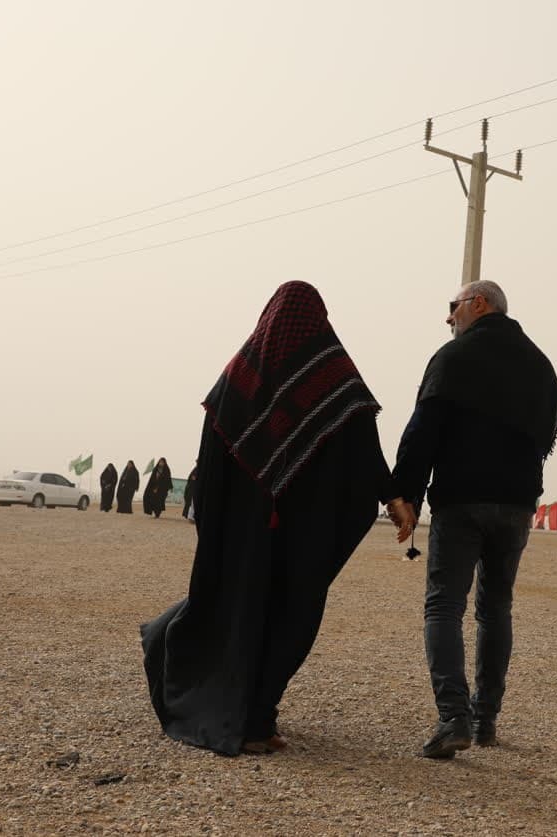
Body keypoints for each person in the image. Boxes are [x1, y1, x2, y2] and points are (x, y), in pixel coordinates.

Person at [140, 280, 411, 756]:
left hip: (244, 533)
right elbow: (365, 450)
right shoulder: (335, 378)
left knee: (235, 609)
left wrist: (216, 528)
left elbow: (209, 466)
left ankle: (236, 710)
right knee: (290, 618)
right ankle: (257, 718)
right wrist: (392, 496)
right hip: (306, 534)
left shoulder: (237, 382)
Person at [390, 279, 557, 759]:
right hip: (516, 503)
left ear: (479, 304)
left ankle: (454, 719)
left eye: (454, 307)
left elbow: (423, 428)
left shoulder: (455, 358)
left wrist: (403, 493)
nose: (449, 318)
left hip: (463, 499)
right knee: (495, 608)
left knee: (444, 607)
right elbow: (550, 424)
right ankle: (485, 719)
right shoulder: (539, 363)